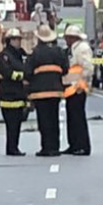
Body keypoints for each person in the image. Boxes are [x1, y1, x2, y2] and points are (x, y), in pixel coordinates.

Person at [27, 25, 69, 157]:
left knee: (44, 121)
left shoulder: (35, 53)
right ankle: (55, 148)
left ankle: (46, 148)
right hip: (55, 92)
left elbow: (27, 72)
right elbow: (66, 69)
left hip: (40, 93)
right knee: (54, 120)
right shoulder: (59, 51)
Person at [0, 28, 30, 156]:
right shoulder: (4, 56)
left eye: (19, 39)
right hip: (8, 95)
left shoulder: (20, 54)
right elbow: (7, 73)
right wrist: (23, 77)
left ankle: (14, 147)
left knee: (17, 124)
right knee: (11, 124)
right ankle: (11, 148)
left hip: (19, 94)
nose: (18, 42)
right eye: (16, 39)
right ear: (9, 41)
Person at [62, 24, 94, 155]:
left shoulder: (82, 49)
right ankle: (73, 144)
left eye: (67, 38)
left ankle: (82, 146)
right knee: (72, 117)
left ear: (73, 38)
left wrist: (82, 84)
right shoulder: (72, 49)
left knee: (78, 117)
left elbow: (87, 68)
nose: (66, 40)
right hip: (71, 86)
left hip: (78, 87)